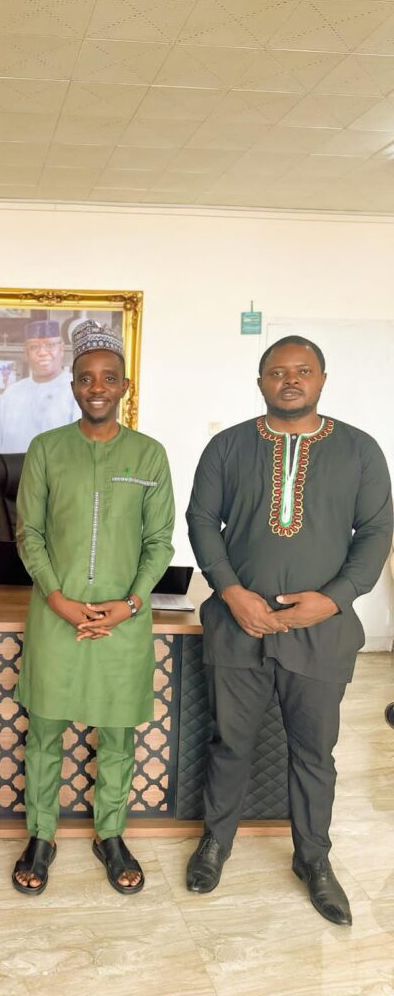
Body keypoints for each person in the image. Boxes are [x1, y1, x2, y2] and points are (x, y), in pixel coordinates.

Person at [186, 335, 393, 926]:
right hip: (237, 626)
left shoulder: (359, 450)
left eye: (303, 371)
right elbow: (203, 520)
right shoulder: (228, 447)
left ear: (323, 379)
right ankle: (215, 843)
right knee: (230, 743)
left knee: (314, 753)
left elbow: (376, 531)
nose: (291, 380)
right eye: (278, 372)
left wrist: (332, 602)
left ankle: (314, 859)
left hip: (320, 632)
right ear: (260, 383)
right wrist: (232, 593)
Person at [11, 320, 174, 896]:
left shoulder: (149, 455)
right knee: (44, 735)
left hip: (124, 622)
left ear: (124, 386)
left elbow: (161, 544)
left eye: (108, 378)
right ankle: (42, 835)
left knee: (118, 739)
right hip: (56, 618)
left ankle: (111, 834)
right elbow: (28, 532)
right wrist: (58, 599)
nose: (96, 387)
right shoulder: (47, 450)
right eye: (86, 378)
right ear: (73, 386)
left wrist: (128, 604)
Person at [0, 320, 80, 455]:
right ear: (26, 353)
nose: (42, 352)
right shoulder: (11, 394)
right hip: (14, 475)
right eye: (34, 347)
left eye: (50, 345)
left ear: (61, 349)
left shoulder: (77, 390)